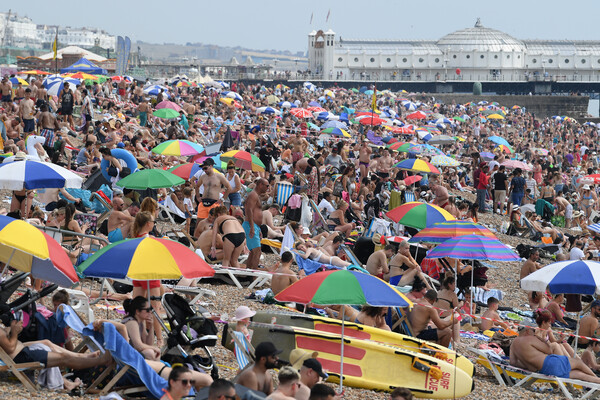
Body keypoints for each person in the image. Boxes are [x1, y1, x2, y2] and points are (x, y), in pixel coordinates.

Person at [510, 325, 600, 383]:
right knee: (578, 362)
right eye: (533, 330)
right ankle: (595, 377)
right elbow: (549, 350)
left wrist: (527, 364)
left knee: (580, 374)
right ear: (527, 331)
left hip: (545, 370)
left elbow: (513, 362)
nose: (534, 333)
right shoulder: (529, 338)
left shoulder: (514, 343)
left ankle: (597, 381)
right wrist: (541, 339)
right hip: (550, 363)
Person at [122, 296, 161, 361]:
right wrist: (154, 348)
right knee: (150, 353)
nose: (150, 312)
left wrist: (151, 326)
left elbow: (148, 343)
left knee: (152, 352)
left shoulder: (140, 322)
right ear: (137, 311)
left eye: (151, 309)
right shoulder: (132, 323)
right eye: (147, 310)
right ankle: (156, 370)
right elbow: (138, 346)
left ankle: (156, 370)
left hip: (131, 353)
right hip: (125, 356)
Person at [194, 158, 231, 226]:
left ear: (211, 166)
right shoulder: (203, 177)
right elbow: (197, 186)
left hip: (214, 202)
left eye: (205, 168)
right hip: (203, 202)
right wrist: (198, 196)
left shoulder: (219, 176)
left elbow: (229, 187)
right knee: (199, 223)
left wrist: (222, 199)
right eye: (203, 169)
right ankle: (197, 236)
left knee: (213, 223)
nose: (204, 170)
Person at [244, 178, 269, 269]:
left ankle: (249, 274)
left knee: (253, 252)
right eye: (267, 185)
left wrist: (257, 228)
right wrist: (252, 227)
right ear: (260, 185)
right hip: (250, 225)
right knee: (256, 252)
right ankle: (253, 277)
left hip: (254, 226)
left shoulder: (256, 195)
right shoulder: (253, 195)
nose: (268, 188)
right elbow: (249, 210)